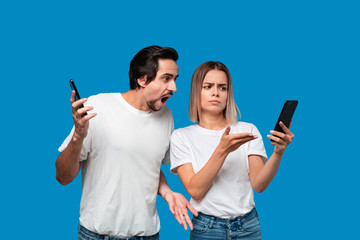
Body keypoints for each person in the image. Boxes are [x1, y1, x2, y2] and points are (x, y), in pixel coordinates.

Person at [56, 45, 198, 240]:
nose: (174, 88)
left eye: (175, 79)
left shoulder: (166, 116)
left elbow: (149, 168)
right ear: (142, 79)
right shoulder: (98, 107)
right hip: (97, 236)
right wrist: (78, 136)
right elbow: (63, 177)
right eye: (166, 78)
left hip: (147, 236)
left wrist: (167, 193)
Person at [170, 61, 295, 239]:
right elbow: (195, 190)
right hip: (207, 229)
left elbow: (259, 185)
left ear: (229, 94)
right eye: (208, 87)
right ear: (196, 91)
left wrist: (278, 152)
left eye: (222, 88)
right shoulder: (181, 136)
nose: (216, 92)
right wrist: (222, 150)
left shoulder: (248, 130)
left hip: (248, 227)